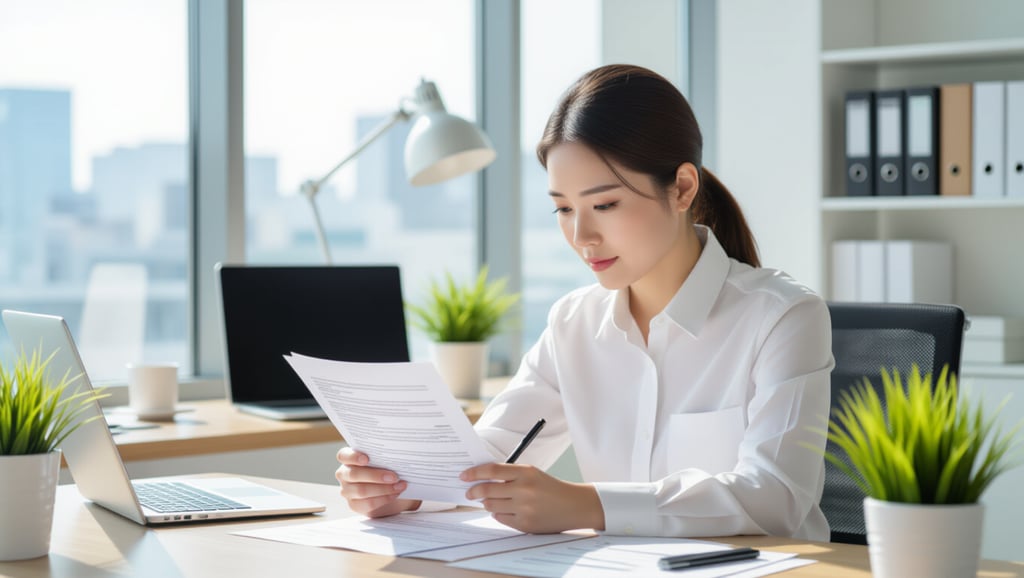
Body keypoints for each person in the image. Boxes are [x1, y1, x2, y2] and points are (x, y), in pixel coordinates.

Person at [336, 64, 833, 541]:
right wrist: (406, 490)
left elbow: (776, 497)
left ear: (681, 188)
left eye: (605, 205)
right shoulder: (574, 323)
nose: (581, 235)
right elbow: (487, 457)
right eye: (563, 208)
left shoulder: (782, 317)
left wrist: (588, 505)